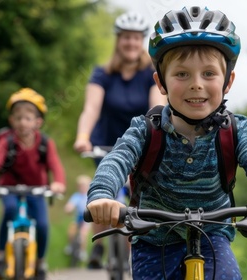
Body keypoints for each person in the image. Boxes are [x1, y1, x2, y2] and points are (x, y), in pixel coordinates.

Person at [85, 6, 247, 279]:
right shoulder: (144, 130)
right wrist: (103, 194)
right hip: (153, 242)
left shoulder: (233, 130)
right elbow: (116, 161)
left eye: (209, 74)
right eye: (182, 74)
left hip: (213, 239)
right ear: (161, 83)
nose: (196, 84)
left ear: (228, 81)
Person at [73, 11, 166, 269]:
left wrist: (155, 135)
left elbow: (156, 108)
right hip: (104, 145)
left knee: (136, 199)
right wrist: (82, 136)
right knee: (107, 190)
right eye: (126, 38)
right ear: (118, 40)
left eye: (136, 38)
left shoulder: (152, 73)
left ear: (142, 42)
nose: (131, 43)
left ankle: (134, 252)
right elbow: (91, 108)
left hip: (140, 145)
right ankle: (100, 243)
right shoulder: (102, 73)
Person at [0, 88, 66, 280]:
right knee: (9, 212)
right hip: (9, 188)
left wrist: (58, 183)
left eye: (27, 118)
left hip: (37, 190)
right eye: (18, 118)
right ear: (11, 121)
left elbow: (55, 166)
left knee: (41, 224)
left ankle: (40, 261)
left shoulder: (45, 143)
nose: (22, 122)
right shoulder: (6, 142)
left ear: (37, 122)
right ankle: (0, 255)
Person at [64, 174, 91, 261]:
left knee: (83, 234)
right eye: (81, 186)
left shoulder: (89, 196)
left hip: (87, 218)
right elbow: (71, 204)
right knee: (71, 230)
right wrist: (68, 208)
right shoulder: (76, 196)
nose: (82, 188)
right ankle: (71, 245)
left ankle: (82, 251)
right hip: (78, 217)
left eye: (84, 186)